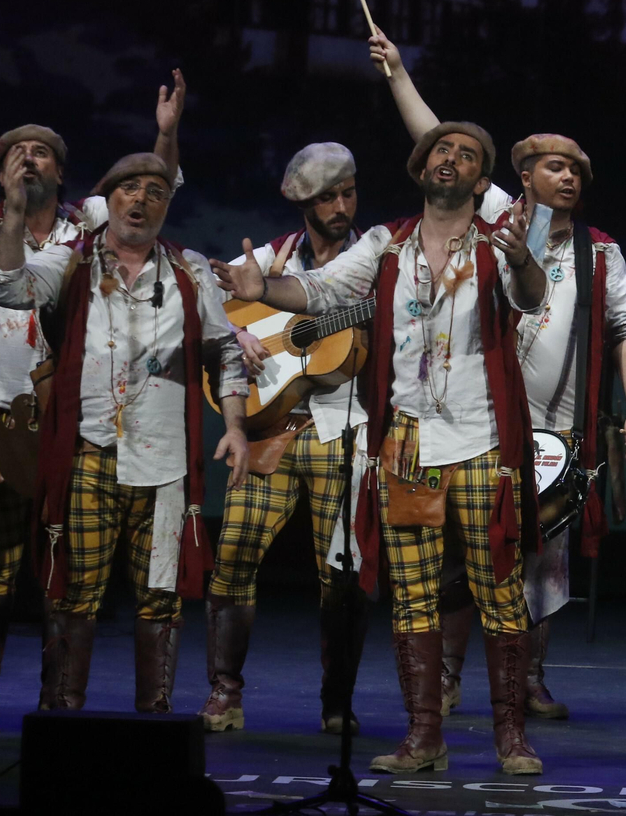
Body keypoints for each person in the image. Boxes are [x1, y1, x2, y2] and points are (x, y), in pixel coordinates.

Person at [213, 120, 550, 775]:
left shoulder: (496, 243)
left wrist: (519, 256)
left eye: (466, 155)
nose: (448, 158)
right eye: (440, 150)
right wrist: (262, 292)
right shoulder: (384, 244)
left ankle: (512, 737)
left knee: (498, 590)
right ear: (421, 167)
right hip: (407, 444)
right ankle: (425, 737)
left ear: (482, 182)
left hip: (481, 441)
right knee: (414, 595)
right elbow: (321, 290)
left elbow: (529, 296)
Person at [367, 29, 626, 722]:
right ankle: (455, 678)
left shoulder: (600, 253)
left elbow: (625, 334)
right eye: (555, 168)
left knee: (542, 566)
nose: (569, 179)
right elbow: (438, 138)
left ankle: (529, 678)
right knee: (462, 561)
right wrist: (400, 71)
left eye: (577, 172)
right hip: (480, 425)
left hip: (553, 433)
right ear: (522, 177)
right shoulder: (496, 218)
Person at [0, 143, 249, 714]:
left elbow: (226, 352)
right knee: (75, 594)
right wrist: (11, 213)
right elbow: (7, 288)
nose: (142, 200)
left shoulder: (190, 269)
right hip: (89, 455)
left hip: (165, 471)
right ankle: (61, 718)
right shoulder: (72, 262)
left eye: (156, 192)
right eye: (130, 189)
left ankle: (154, 724)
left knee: (162, 598)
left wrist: (234, 427)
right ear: (108, 202)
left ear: (165, 208)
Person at [0, 73, 188, 727]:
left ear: (64, 173)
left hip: (66, 422)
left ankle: (55, 704)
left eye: (41, 152)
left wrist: (166, 130)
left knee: (57, 570)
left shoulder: (87, 227)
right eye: (16, 152)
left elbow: (154, 190)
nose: (29, 159)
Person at [197, 143, 370, 734]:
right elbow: (203, 286)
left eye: (348, 193)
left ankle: (337, 701)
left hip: (342, 433)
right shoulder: (275, 257)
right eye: (328, 197)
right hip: (271, 429)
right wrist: (231, 332)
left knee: (343, 575)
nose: (341, 206)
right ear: (303, 202)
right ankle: (224, 691)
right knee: (234, 557)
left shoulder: (376, 263)